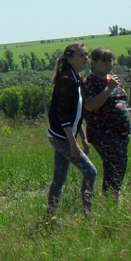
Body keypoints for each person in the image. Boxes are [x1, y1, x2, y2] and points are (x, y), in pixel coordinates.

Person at [45, 43, 96, 217]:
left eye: (86, 55)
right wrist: (73, 144)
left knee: (59, 179)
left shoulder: (76, 78)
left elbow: (76, 114)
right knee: (90, 172)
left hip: (64, 136)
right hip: (61, 137)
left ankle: (50, 215)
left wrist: (83, 138)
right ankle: (87, 214)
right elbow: (63, 116)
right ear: (70, 59)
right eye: (82, 55)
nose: (86, 59)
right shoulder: (66, 81)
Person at [82, 47, 131, 196]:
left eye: (110, 60)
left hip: (120, 131)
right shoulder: (90, 82)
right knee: (115, 162)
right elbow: (90, 105)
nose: (108, 63)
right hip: (103, 133)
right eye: (104, 60)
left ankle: (112, 196)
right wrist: (108, 88)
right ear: (94, 62)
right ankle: (111, 196)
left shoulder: (113, 79)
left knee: (119, 163)